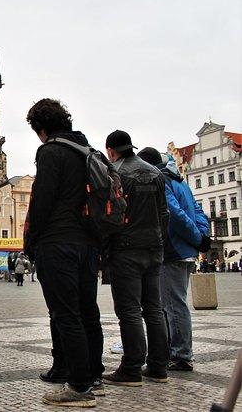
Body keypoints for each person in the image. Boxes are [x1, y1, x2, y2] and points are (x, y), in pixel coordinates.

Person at [24, 99, 103, 407]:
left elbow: (41, 202)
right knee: (88, 312)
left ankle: (80, 387)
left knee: (65, 313)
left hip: (58, 243)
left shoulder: (50, 152)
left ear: (41, 128)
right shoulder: (86, 150)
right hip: (87, 243)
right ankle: (93, 375)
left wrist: (32, 240)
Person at [102, 131, 169, 388]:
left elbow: (112, 215)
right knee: (153, 308)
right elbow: (165, 213)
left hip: (126, 249)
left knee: (129, 310)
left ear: (110, 150)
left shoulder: (116, 173)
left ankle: (131, 368)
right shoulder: (155, 172)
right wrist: (158, 239)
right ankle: (158, 366)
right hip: (154, 247)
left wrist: (106, 249)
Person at [137, 147, 210, 372]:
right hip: (185, 250)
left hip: (173, 251)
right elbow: (198, 211)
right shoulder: (180, 181)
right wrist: (202, 236)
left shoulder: (162, 181)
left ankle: (180, 355)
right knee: (172, 303)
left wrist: (197, 237)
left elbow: (175, 215)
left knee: (173, 305)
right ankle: (173, 351)